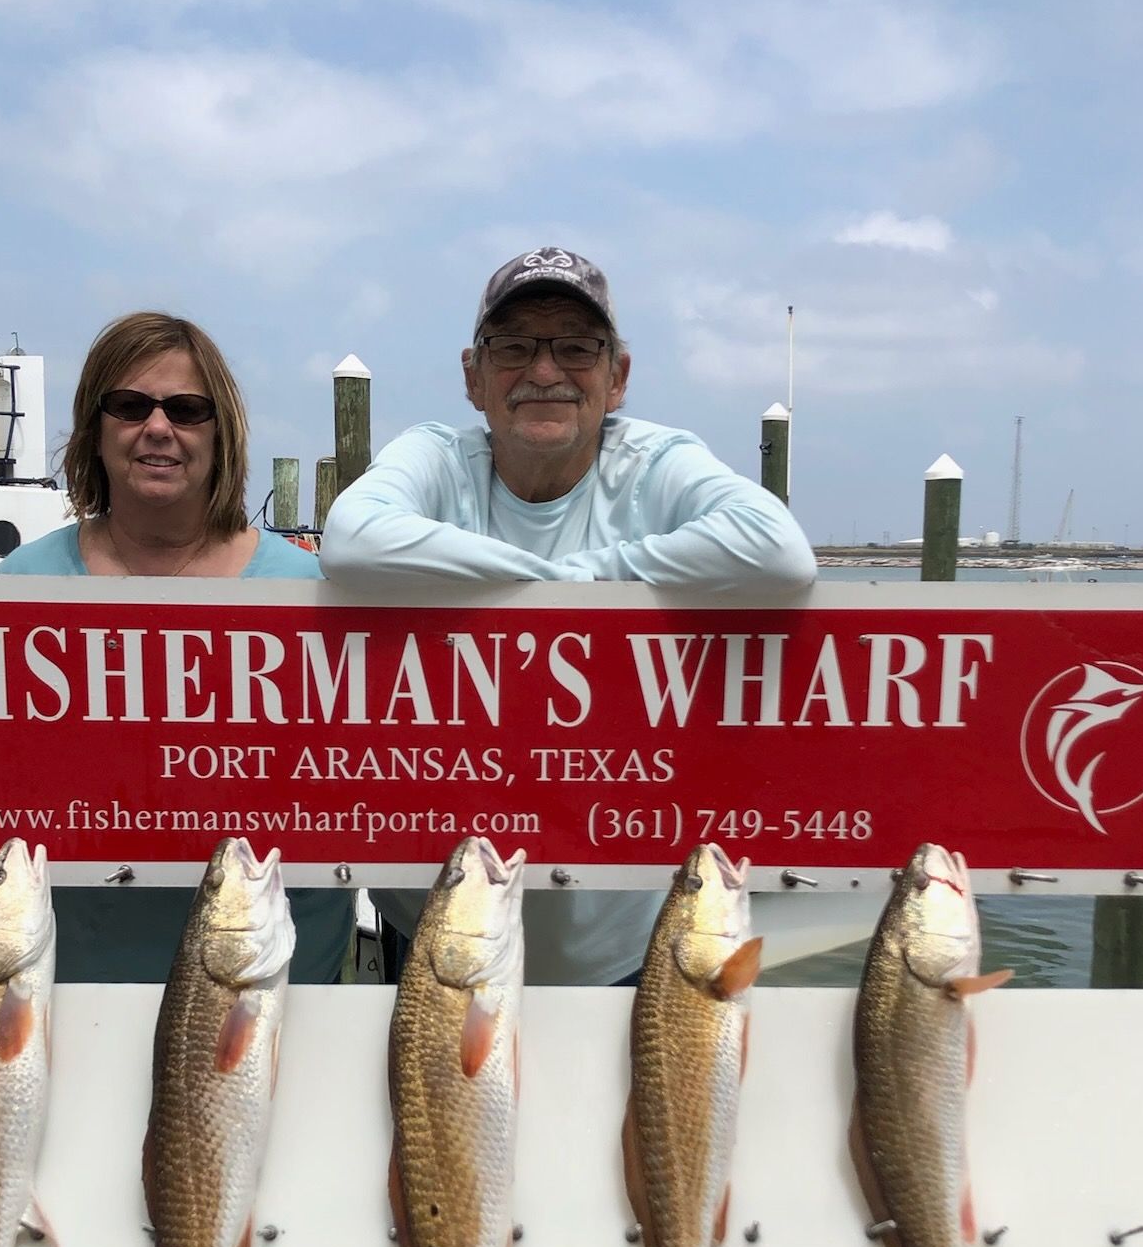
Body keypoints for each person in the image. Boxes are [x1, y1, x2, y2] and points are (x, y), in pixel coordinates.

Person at [319, 247, 817, 986]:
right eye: (514, 346)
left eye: (576, 348)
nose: (544, 371)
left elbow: (781, 554)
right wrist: (548, 585)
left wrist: (590, 578)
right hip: (435, 933)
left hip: (618, 947)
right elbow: (351, 538)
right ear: (473, 376)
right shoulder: (436, 454)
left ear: (616, 376)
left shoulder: (656, 461)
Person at [0, 310, 353, 984]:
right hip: (71, 986)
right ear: (94, 429)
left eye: (187, 410)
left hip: (271, 989)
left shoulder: (309, 590)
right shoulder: (23, 585)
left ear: (222, 435)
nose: (158, 427)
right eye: (130, 406)